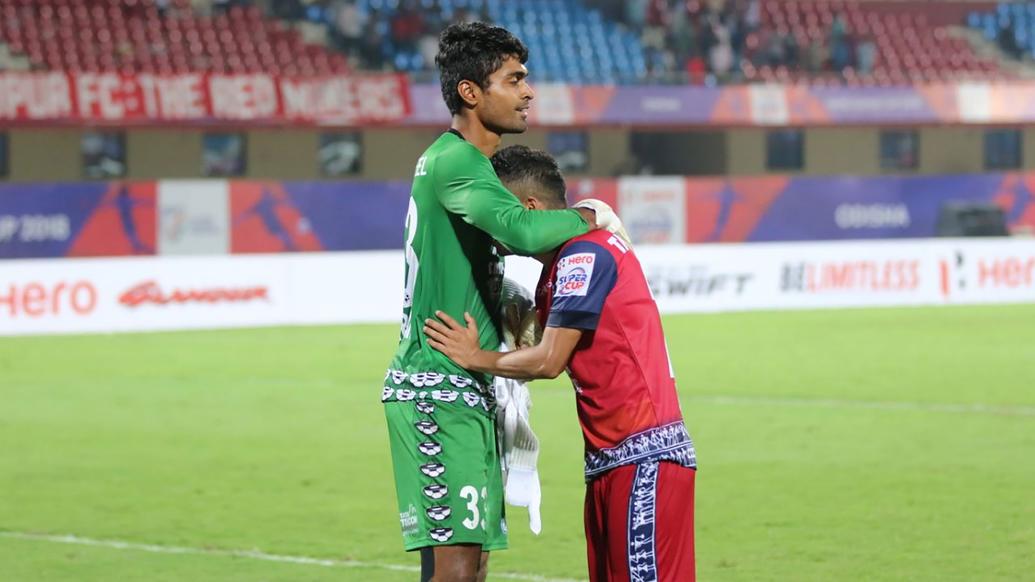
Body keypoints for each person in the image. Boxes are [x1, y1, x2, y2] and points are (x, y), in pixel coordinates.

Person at [382, 23, 603, 582]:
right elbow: (524, 231)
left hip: (464, 386)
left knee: (472, 565)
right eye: (515, 79)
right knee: (456, 571)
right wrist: (593, 217)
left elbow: (498, 244)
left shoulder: (464, 166)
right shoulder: (455, 161)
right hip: (435, 385)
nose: (528, 92)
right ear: (471, 93)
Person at [424, 146, 698, 582]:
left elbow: (550, 360)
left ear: (528, 208)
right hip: (613, 458)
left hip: (645, 458)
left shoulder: (582, 256)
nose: (491, 225)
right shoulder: (560, 268)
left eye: (497, 210)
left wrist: (475, 357)